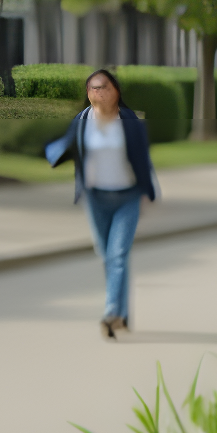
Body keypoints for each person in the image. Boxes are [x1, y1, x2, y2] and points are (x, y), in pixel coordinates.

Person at [43, 68, 157, 339]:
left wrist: (150, 193)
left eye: (104, 87)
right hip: (96, 199)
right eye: (93, 88)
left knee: (117, 255)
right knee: (109, 256)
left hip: (128, 197)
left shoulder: (130, 121)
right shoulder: (82, 121)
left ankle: (111, 313)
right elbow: (69, 145)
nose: (99, 92)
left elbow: (143, 159)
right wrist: (53, 153)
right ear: (88, 93)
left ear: (116, 90)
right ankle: (122, 313)